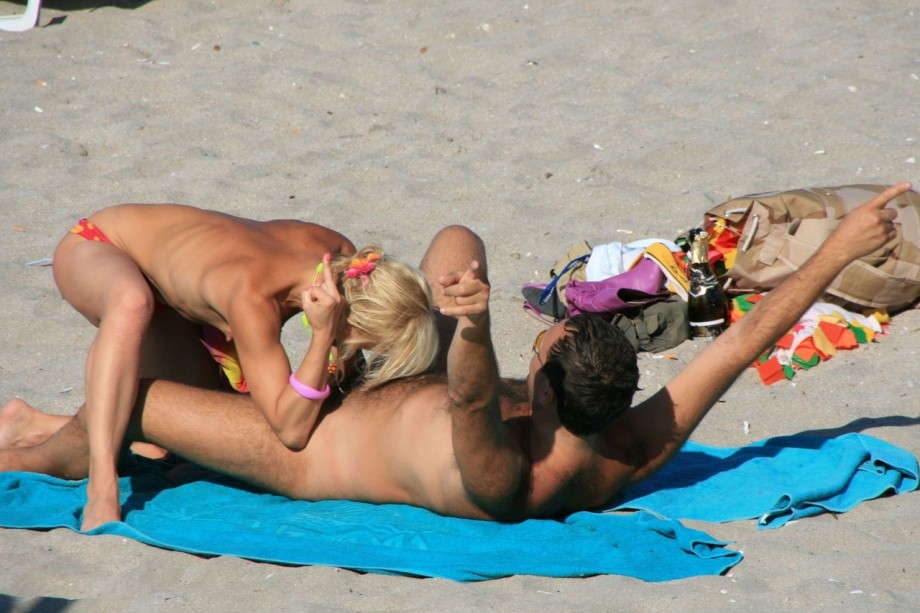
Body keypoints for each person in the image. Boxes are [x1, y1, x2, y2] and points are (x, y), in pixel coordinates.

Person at [0, 183, 911, 522]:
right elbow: (747, 338)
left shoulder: (507, 473)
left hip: (303, 453)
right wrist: (837, 250)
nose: (541, 336)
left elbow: (473, 399)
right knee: (443, 259)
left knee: (146, 402)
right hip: (379, 389)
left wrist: (472, 329)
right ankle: (67, 429)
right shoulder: (637, 439)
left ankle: (31, 446)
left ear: (547, 390)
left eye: (546, 341)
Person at [31, 203, 438, 531]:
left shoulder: (344, 265)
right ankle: (102, 484)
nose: (352, 349)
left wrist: (341, 360)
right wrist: (319, 339)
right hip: (101, 245)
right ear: (346, 318)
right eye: (359, 340)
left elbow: (338, 371)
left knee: (178, 440)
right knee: (130, 301)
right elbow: (291, 430)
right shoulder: (253, 295)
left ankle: (30, 423)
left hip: (176, 303)